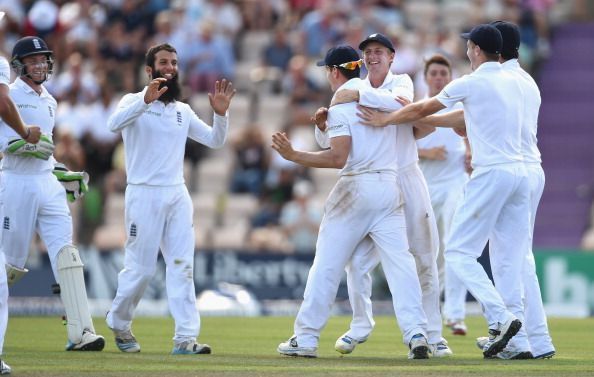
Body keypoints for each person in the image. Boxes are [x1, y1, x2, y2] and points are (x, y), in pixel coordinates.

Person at [357, 24, 529, 358]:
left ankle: (498, 317)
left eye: (469, 46)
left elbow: (423, 111)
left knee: (456, 253)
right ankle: (521, 339)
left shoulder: (471, 81)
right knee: (512, 258)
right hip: (523, 173)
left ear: (476, 50)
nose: (466, 50)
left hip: (487, 175)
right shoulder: (519, 83)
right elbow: (457, 119)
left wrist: (386, 121)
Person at [274, 45, 429, 359]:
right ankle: (416, 334)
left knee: (327, 266)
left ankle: (306, 337)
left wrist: (294, 156)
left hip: (356, 189)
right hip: (389, 188)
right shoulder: (381, 99)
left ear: (333, 71)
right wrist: (323, 126)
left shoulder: (343, 103)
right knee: (401, 266)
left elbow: (338, 157)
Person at [322, 33, 450, 358]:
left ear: (392, 56)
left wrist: (367, 104)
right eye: (367, 52)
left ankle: (432, 336)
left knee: (424, 258)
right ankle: (360, 324)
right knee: (357, 262)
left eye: (379, 51)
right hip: (374, 184)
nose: (372, 57)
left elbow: (406, 110)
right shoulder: (357, 90)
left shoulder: (401, 82)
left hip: (407, 176)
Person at [106, 43, 235, 355]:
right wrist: (143, 101)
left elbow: (215, 141)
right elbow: (112, 125)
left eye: (174, 62)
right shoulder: (132, 101)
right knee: (142, 270)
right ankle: (120, 322)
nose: (170, 67)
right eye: (164, 62)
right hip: (143, 194)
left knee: (182, 266)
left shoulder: (182, 110)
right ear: (149, 69)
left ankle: (185, 339)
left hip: (177, 194)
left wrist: (221, 114)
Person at [1, 35, 105, 356]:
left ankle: (81, 331)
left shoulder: (50, 100)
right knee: (9, 268)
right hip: (16, 182)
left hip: (46, 183)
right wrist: (30, 144)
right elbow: (7, 145)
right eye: (33, 60)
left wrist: (61, 170)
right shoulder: (10, 95)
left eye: (44, 59)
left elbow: (45, 150)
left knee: (67, 254)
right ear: (19, 65)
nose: (41, 64)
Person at [474, 20, 555, 360]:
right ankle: (539, 338)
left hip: (509, 170)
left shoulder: (502, 80)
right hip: (530, 169)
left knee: (507, 260)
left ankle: (517, 340)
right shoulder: (525, 79)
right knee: (520, 259)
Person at [415, 54, 471, 336]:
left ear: (450, 77)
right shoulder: (416, 109)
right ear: (426, 78)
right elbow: (395, 145)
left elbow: (473, 131)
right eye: (434, 73)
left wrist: (471, 151)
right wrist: (426, 152)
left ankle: (455, 314)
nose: (439, 78)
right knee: (429, 255)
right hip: (425, 187)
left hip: (454, 184)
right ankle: (428, 313)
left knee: (455, 244)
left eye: (443, 73)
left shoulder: (460, 106)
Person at [0, 14, 43, 374]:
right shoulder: (1, 68)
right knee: (1, 276)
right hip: (11, 176)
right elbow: (2, 103)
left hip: (24, 177)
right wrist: (26, 133)